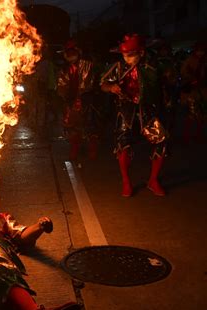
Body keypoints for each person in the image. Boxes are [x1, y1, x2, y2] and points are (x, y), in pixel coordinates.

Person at [100, 34, 167, 197]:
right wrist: (111, 88)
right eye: (124, 55)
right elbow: (103, 83)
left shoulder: (152, 66)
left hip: (148, 111)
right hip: (126, 111)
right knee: (123, 145)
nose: (126, 58)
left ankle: (153, 180)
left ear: (141, 53)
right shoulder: (118, 67)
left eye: (130, 55)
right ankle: (126, 182)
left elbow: (163, 86)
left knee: (161, 143)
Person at [57, 39, 101, 161]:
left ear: (78, 51)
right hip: (71, 101)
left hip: (87, 100)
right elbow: (61, 86)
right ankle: (75, 150)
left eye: (72, 51)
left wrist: (86, 97)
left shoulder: (88, 64)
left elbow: (94, 82)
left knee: (90, 126)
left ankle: (92, 151)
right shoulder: (64, 69)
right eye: (68, 52)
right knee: (73, 128)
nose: (70, 55)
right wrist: (66, 98)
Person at [180, 41, 207, 144]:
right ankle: (187, 136)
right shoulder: (190, 60)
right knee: (191, 114)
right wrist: (191, 78)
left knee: (202, 114)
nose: (200, 53)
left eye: (202, 51)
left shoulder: (205, 61)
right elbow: (183, 72)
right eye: (199, 50)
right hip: (192, 91)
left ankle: (199, 135)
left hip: (203, 91)